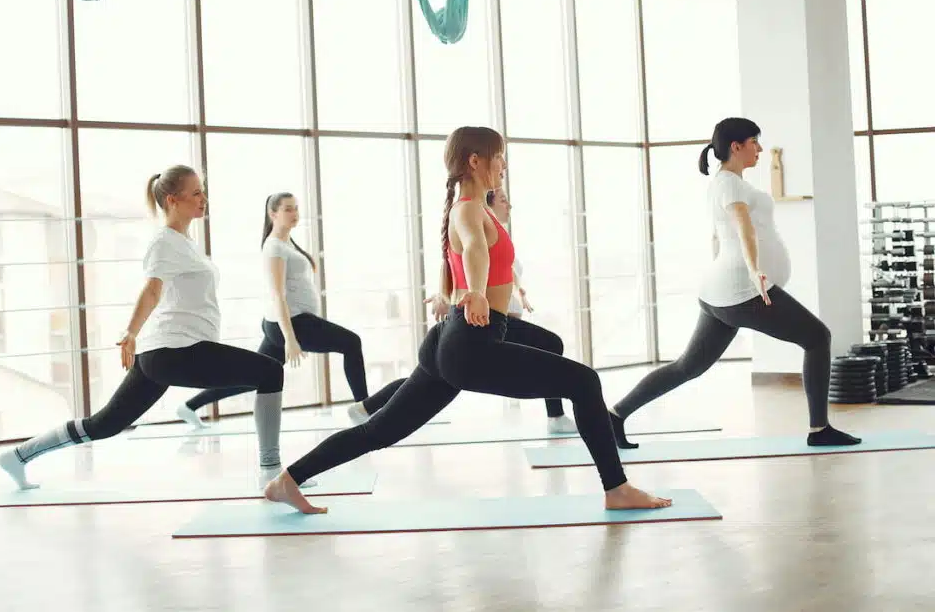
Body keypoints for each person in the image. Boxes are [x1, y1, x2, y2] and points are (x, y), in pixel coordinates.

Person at [263, 126, 673, 514]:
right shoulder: (469, 210)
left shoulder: (473, 209)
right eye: (500, 158)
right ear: (475, 161)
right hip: (471, 344)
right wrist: (475, 291)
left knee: (381, 432)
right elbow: (475, 249)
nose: (504, 166)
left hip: (453, 339)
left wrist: (461, 292)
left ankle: (289, 479)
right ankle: (616, 489)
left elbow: (462, 256)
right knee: (585, 382)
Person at [0, 166, 295, 490]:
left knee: (106, 423)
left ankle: (18, 456)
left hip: (165, 352)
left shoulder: (185, 242)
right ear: (172, 199)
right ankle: (271, 471)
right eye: (196, 192)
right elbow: (152, 289)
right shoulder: (165, 242)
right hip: (177, 350)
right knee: (269, 372)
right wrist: (130, 332)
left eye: (203, 190)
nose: (203, 198)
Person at [606, 118, 861, 449]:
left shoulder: (727, 183)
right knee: (817, 337)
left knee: (688, 366)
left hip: (721, 293)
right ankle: (819, 429)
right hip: (742, 291)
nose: (759, 148)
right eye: (754, 141)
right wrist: (755, 270)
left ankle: (613, 417)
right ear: (736, 147)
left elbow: (724, 233)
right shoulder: (729, 185)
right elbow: (744, 227)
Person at [347, 187, 578, 435]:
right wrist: (445, 296)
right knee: (549, 345)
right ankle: (556, 415)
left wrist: (520, 292)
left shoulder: (496, 236)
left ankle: (367, 408)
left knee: (432, 380)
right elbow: (458, 267)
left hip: (496, 320)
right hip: (486, 321)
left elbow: (503, 272)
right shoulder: (475, 226)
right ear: (488, 204)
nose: (508, 206)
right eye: (503, 200)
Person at [175, 192, 369, 428]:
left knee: (253, 377)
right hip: (292, 322)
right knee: (351, 343)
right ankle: (363, 408)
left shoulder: (287, 243)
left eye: (296, 208)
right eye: (288, 209)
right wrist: (290, 339)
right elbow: (278, 294)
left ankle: (189, 406)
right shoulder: (274, 247)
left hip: (283, 322)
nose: (294, 214)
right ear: (272, 213)